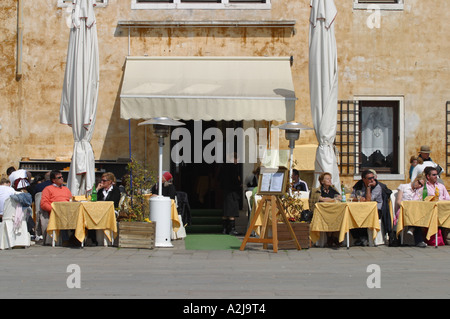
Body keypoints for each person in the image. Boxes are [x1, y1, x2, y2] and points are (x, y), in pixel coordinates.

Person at [351, 169, 392, 246]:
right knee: (352, 216)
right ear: (364, 179)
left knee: (363, 216)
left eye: (373, 177)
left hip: (376, 210)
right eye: (370, 178)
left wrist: (368, 187)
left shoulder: (377, 187)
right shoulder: (359, 184)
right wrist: (359, 199)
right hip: (362, 208)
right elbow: (352, 197)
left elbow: (368, 200)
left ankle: (365, 238)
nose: (372, 180)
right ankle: (360, 237)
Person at [40, 170, 74, 246]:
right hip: (56, 212)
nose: (62, 178)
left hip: (68, 211)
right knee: (61, 216)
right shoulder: (48, 189)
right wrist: (54, 209)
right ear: (53, 180)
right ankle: (66, 239)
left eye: (62, 177)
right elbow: (43, 204)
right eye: (59, 177)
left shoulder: (66, 189)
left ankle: (77, 238)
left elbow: (70, 199)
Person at [309, 172, 341, 247]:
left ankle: (331, 237)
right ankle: (331, 238)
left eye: (330, 179)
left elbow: (339, 197)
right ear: (322, 181)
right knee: (328, 218)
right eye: (327, 179)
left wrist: (329, 199)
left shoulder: (333, 189)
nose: (329, 180)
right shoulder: (317, 190)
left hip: (333, 211)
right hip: (322, 213)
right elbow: (321, 199)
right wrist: (332, 199)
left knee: (336, 217)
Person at [395, 174, 427, 247]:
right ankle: (418, 239)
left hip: (413, 211)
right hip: (403, 209)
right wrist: (407, 207)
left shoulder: (417, 192)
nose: (419, 186)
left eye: (421, 185)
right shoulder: (403, 187)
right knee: (415, 214)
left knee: (418, 214)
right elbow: (398, 201)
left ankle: (412, 228)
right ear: (416, 180)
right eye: (419, 183)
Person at [219, 152, 242, 236]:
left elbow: (219, 178)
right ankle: (232, 229)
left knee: (226, 210)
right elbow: (235, 180)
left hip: (225, 191)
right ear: (234, 159)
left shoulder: (223, 167)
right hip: (232, 191)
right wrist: (239, 184)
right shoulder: (233, 167)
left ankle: (224, 229)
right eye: (238, 159)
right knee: (232, 211)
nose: (238, 161)